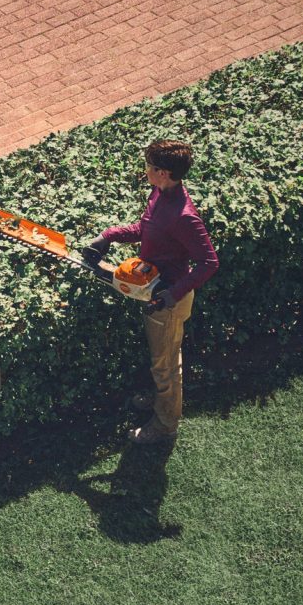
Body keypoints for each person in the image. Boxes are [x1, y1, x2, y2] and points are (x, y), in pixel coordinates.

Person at [80, 139, 219, 445]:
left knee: (165, 364)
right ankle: (160, 403)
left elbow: (209, 262)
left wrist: (172, 294)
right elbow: (145, 228)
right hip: (154, 286)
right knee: (164, 358)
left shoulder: (184, 216)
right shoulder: (160, 194)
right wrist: (108, 237)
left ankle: (165, 424)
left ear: (163, 173)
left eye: (149, 167)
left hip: (167, 301)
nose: (145, 170)